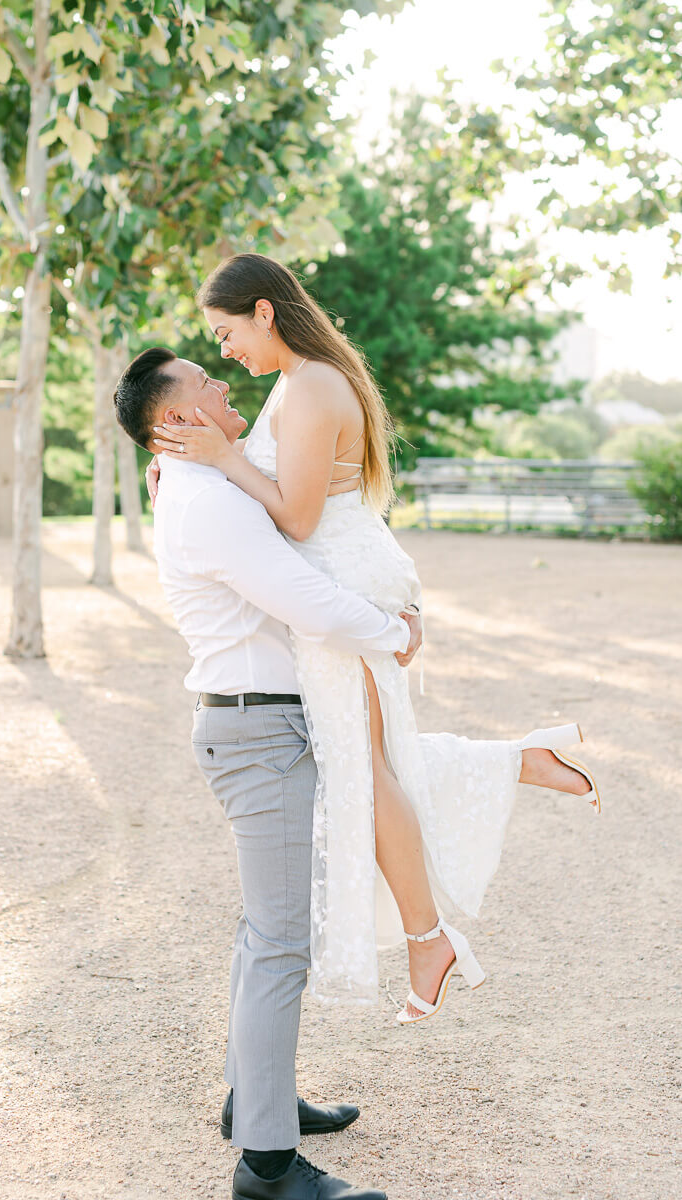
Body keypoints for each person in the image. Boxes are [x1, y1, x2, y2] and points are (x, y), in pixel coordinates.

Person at [149, 252, 600, 1027]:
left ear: (264, 311)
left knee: (362, 770)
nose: (225, 351)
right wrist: (201, 475)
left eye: (226, 332)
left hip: (341, 591)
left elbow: (296, 517)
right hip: (343, 583)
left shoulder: (314, 384)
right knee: (364, 762)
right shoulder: (302, 382)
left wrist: (224, 460)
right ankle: (517, 766)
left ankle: (431, 940)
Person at [114, 346, 423, 1199]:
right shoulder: (205, 502)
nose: (225, 384)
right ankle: (267, 1163)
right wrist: (394, 632)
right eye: (205, 383)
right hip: (258, 732)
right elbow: (301, 596)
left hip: (258, 725)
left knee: (269, 931)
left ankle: (258, 1098)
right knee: (280, 940)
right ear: (174, 421)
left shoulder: (207, 481)